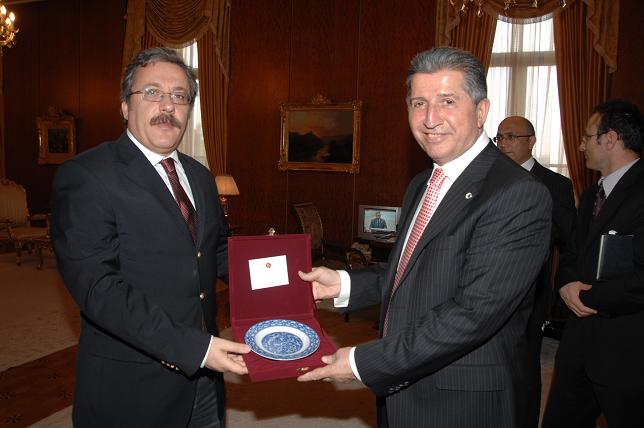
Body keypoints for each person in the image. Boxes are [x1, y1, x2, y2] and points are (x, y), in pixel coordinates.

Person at [297, 47, 552, 428]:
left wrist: (363, 362)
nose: (430, 119)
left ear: (481, 111)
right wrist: (343, 283)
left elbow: (473, 314)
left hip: (462, 401)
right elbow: (411, 274)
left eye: (447, 101)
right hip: (403, 387)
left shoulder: (517, 193)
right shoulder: (422, 183)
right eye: (419, 103)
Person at [51, 47, 250, 427]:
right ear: (126, 105)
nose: (168, 105)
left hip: (206, 378)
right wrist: (194, 349)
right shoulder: (87, 175)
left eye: (180, 96)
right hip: (132, 385)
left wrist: (284, 280)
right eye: (153, 92)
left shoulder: (201, 176)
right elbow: (98, 288)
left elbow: (216, 252)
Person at [542, 100, 644, 428]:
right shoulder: (590, 195)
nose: (581, 146)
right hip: (578, 343)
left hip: (626, 348)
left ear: (610, 139)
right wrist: (565, 284)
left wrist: (585, 296)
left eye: (587, 137)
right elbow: (572, 251)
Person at [495, 115, 576, 428]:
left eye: (511, 137)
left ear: (531, 141)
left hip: (531, 289)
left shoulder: (555, 184)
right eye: (500, 137)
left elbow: (570, 238)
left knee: (525, 365)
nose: (504, 143)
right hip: (485, 287)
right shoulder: (487, 178)